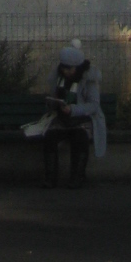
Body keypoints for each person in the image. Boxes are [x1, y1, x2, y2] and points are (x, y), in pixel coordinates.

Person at [41, 42, 105, 186]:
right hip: (62, 119)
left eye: (69, 68)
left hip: (82, 119)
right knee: (49, 137)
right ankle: (50, 178)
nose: (66, 71)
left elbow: (94, 105)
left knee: (80, 138)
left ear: (77, 67)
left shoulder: (89, 79)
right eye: (63, 68)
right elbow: (55, 96)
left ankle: (77, 177)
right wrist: (53, 103)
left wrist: (73, 109)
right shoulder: (59, 77)